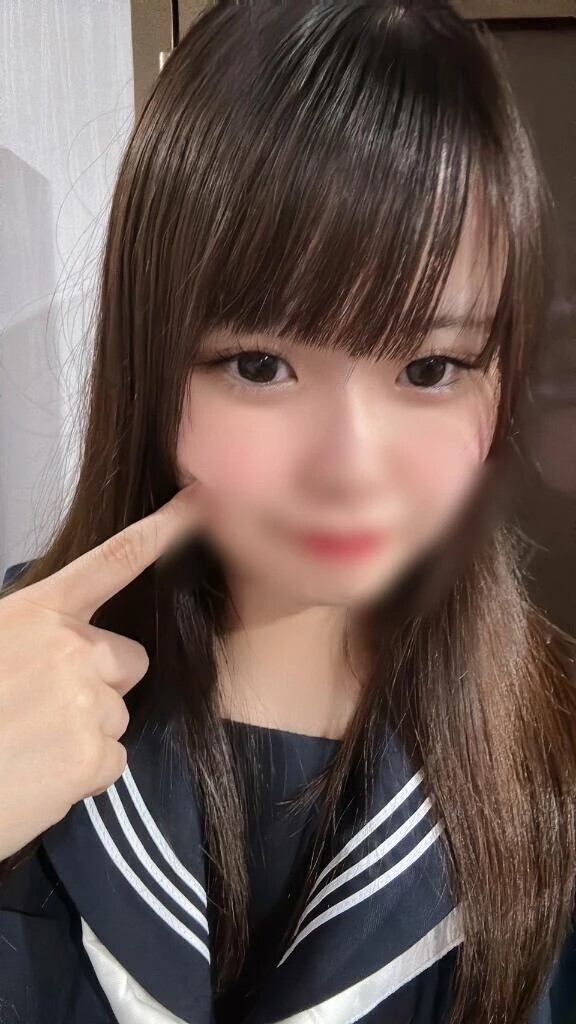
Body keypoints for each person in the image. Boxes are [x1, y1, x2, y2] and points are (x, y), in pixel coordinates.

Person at [0, 1, 575, 1022]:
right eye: (260, 365)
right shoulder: (18, 682)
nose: (349, 468)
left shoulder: (549, 762)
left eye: (431, 368)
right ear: (151, 366)